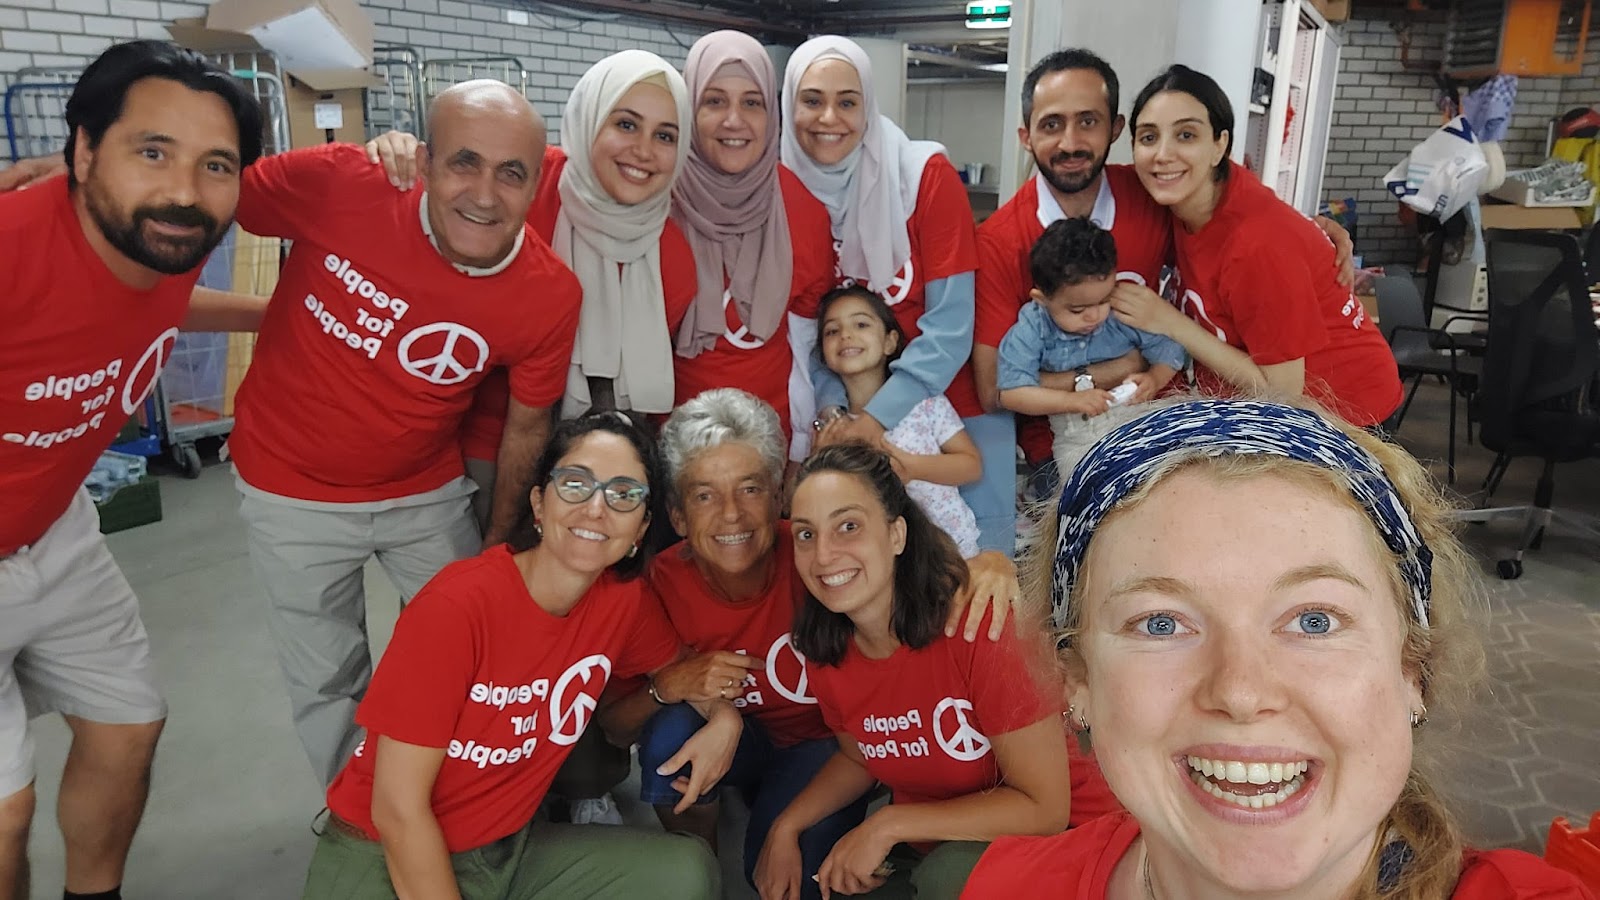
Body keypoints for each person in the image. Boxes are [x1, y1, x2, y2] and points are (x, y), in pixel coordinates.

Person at [962, 397, 1595, 900]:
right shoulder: (1007, 887)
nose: (1240, 691)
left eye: (1315, 620)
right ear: (1078, 681)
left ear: (1413, 670)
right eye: (1161, 623)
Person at [227, 80, 582, 788]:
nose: (484, 194)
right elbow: (204, 195)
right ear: (423, 162)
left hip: (424, 492)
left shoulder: (549, 294)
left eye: (511, 173)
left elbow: (526, 426)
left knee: (478, 652)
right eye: (463, 163)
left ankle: (455, 800)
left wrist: (498, 539)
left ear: (537, 181)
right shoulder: (343, 185)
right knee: (328, 679)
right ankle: (355, 825)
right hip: (287, 490)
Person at [0, 40, 263, 900]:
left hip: (57, 531)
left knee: (127, 729)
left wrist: (284, 316)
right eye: (153, 151)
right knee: (4, 810)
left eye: (214, 164)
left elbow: (172, 300)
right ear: (82, 152)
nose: (184, 190)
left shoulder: (157, 251)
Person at [598, 388, 1024, 899]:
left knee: (793, 881)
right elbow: (614, 732)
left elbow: (912, 562)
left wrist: (991, 564)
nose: (731, 514)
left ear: (778, 494)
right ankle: (700, 867)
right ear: (679, 516)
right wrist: (666, 687)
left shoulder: (819, 552)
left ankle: (780, 813)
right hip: (736, 745)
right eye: (705, 495)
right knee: (670, 736)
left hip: (833, 748)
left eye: (750, 489)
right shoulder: (656, 586)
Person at [302, 412, 733, 900]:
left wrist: (724, 720)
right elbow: (398, 810)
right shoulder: (456, 607)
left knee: (684, 872)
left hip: (507, 850)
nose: (596, 508)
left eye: (623, 494)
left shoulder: (622, 601)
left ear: (641, 527)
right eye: (575, 483)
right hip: (384, 853)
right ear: (538, 503)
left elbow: (684, 669)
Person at [756, 443, 1118, 900]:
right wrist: (786, 826)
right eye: (806, 535)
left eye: (848, 526)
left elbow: (1044, 809)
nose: (824, 555)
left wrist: (888, 824)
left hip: (1067, 838)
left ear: (896, 536)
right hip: (935, 844)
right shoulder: (827, 649)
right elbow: (859, 757)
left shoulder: (978, 627)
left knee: (946, 874)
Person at [974, 49, 1357, 478]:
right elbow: (994, 390)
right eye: (1051, 125)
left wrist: (1310, 230)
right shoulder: (998, 241)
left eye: (1088, 121)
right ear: (1026, 136)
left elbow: (1231, 212)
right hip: (1063, 445)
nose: (1070, 143)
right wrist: (1114, 370)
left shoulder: (1152, 193)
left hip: (1174, 423)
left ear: (1116, 129)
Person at [367, 50, 696, 534]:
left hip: (601, 471)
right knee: (464, 597)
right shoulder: (520, 187)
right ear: (588, 119)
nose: (644, 150)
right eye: (625, 125)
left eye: (665, 135)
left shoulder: (675, 258)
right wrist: (390, 151)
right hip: (479, 454)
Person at [781, 36, 1017, 561]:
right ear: (788, 104)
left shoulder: (923, 176)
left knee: (980, 577)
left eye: (848, 101)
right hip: (856, 415)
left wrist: (876, 418)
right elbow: (807, 331)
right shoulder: (783, 191)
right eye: (812, 99)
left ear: (869, 104)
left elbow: (953, 323)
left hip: (951, 415)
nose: (829, 118)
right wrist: (833, 415)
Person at [1110, 65, 1403, 427]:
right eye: (1148, 137)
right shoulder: (1181, 199)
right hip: (1247, 407)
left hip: (1342, 418)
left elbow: (1282, 394)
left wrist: (1170, 322)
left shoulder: (1257, 243)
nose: (1163, 154)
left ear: (1220, 145)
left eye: (1186, 135)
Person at [669, 31, 838, 458]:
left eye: (752, 102)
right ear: (688, 108)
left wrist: (802, 449)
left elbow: (805, 355)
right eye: (714, 101)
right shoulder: (657, 200)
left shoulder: (805, 212)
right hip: (668, 448)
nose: (734, 120)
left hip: (770, 451)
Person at [996, 217, 1189, 479]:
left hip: (1134, 419)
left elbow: (1170, 348)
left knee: (1149, 487)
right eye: (1077, 309)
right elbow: (1011, 392)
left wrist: (1154, 378)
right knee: (1082, 497)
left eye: (1103, 300)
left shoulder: (1120, 310)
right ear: (1041, 299)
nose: (1094, 316)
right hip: (1074, 436)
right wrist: (1071, 400)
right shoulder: (1033, 326)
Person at [815, 286, 982, 557]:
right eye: (832, 331)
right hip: (883, 561)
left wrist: (912, 468)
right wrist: (821, 456)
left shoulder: (925, 402)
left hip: (951, 551)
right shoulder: (833, 428)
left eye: (861, 324)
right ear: (823, 354)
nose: (846, 335)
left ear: (890, 342)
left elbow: (971, 466)